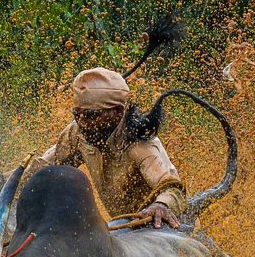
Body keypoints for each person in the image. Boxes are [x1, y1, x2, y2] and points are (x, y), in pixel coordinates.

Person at [30, 67, 186, 229]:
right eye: (77, 114)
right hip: (120, 231)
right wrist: (6, 182)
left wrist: (161, 205)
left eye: (91, 116)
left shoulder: (139, 144)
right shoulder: (76, 133)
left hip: (163, 229)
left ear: (118, 112)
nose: (82, 123)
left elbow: (172, 187)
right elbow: (42, 169)